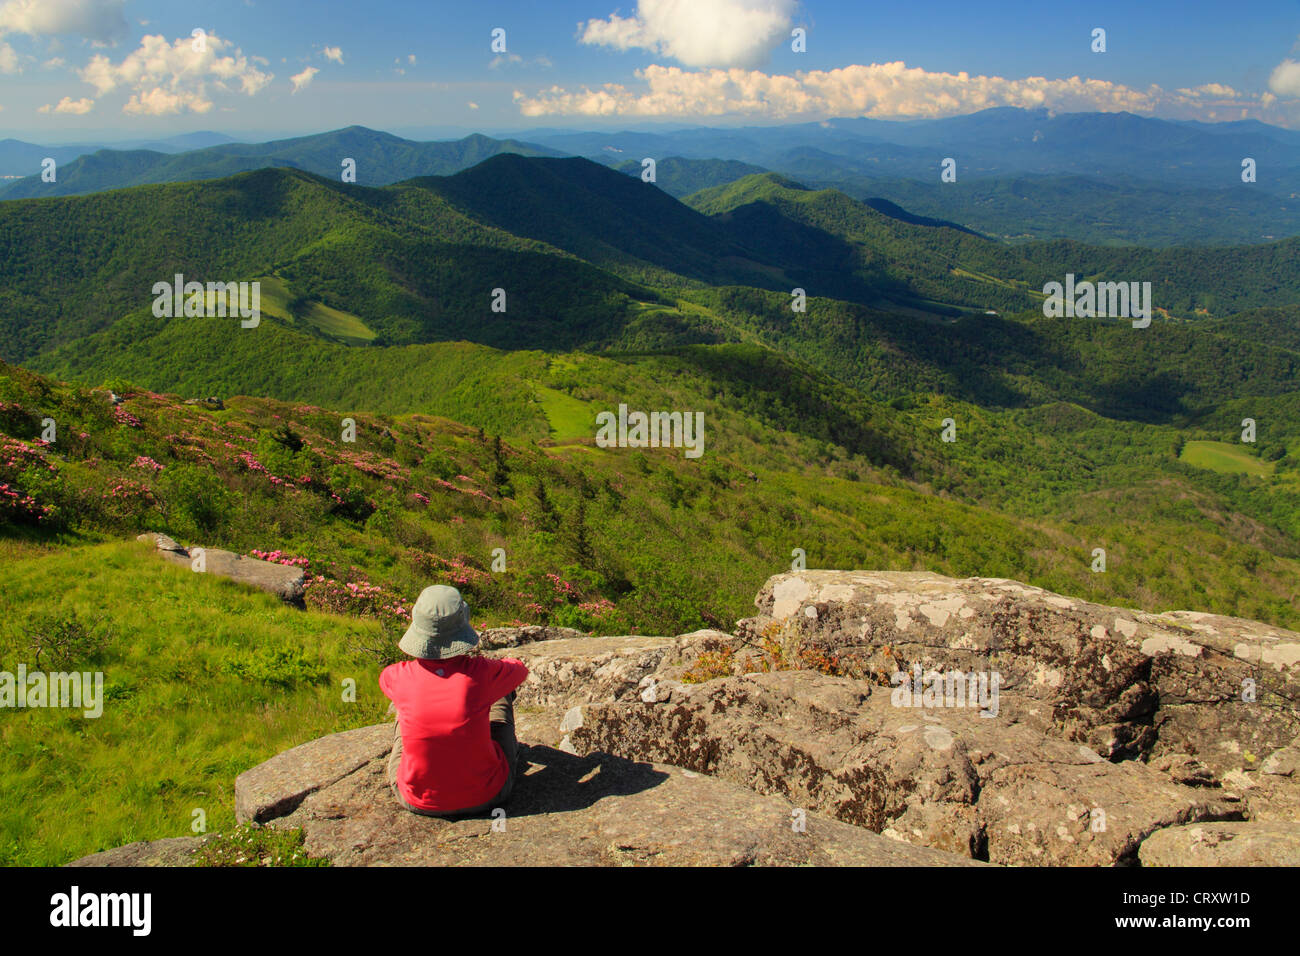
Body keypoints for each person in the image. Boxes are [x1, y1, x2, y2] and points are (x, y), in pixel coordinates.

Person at [380, 584, 529, 816]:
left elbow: (386, 682)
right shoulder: (481, 673)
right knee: (501, 694)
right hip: (488, 795)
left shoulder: (397, 676)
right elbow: (519, 671)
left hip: (416, 800)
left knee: (402, 711)